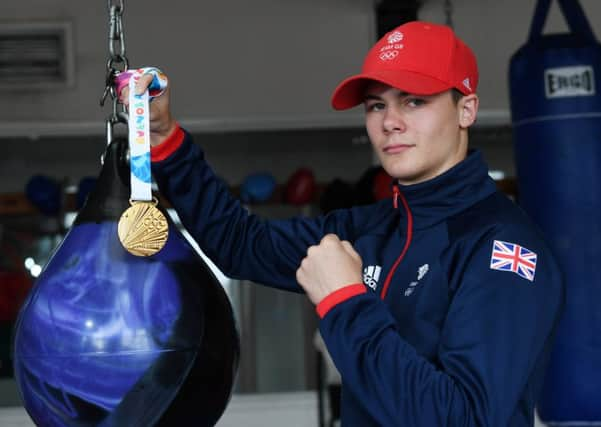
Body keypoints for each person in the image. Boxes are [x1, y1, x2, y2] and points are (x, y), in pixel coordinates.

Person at [122, 20, 564, 426]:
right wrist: (166, 141)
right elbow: (239, 242)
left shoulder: (500, 247)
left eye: (415, 101)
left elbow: (463, 418)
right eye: (376, 105)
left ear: (466, 110)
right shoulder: (365, 230)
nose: (390, 122)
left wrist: (345, 300)